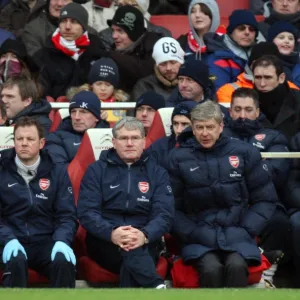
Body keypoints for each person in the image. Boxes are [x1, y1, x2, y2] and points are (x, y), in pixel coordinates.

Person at [168, 100, 277, 288]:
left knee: (236, 266)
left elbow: (265, 199)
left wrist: (246, 229)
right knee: (211, 269)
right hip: (198, 236)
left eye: (210, 127)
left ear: (221, 126)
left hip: (239, 232)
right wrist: (191, 233)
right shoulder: (177, 158)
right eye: (199, 127)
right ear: (192, 129)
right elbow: (170, 206)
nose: (204, 133)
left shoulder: (245, 153)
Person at [77, 117, 174, 288]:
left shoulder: (158, 172)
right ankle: (157, 287)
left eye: (135, 138)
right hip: (104, 241)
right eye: (123, 138)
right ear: (114, 142)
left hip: (146, 240)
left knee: (131, 254)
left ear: (144, 141)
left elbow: (164, 214)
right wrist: (112, 233)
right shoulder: (96, 170)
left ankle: (157, 288)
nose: (129, 143)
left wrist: (144, 235)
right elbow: (87, 212)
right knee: (130, 250)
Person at [0, 117, 77, 287]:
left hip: (45, 240)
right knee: (16, 262)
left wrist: (62, 241)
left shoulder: (57, 171)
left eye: (30, 139)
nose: (24, 143)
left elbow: (67, 215)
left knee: (64, 263)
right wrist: (8, 239)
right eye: (19, 139)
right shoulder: (2, 169)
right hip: (9, 239)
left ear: (42, 143)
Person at [224, 87, 291, 283]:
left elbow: (276, 173)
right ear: (230, 111)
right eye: (237, 109)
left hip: (262, 200)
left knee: (280, 222)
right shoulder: (218, 135)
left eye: (247, 109)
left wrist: (237, 172)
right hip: (226, 201)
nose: (242, 115)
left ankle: (267, 275)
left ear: (257, 111)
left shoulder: (274, 136)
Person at [36, 2, 106, 99]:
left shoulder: (97, 51)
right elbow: (39, 92)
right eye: (63, 21)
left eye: (74, 21)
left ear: (83, 26)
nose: (67, 27)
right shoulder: (44, 55)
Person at [216, 41, 300, 107]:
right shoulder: (228, 91)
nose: (262, 83)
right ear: (251, 64)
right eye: (259, 63)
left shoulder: (293, 92)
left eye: (268, 64)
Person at [101, 5, 162, 93]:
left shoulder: (154, 44)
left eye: (120, 31)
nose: (114, 36)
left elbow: (143, 72)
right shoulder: (116, 50)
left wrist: (111, 55)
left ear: (134, 33)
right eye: (113, 30)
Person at [45, 91, 109, 165]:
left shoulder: (112, 136)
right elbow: (60, 171)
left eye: (83, 112)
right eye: (73, 111)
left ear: (97, 117)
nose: (76, 117)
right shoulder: (56, 139)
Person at [205, 9, 260, 91]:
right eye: (241, 28)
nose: (247, 32)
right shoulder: (217, 58)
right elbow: (221, 92)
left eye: (251, 29)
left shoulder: (261, 55)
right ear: (231, 31)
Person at [252, 54, 300, 141]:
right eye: (258, 77)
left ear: (281, 78)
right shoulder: (246, 100)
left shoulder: (298, 99)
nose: (262, 83)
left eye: (268, 77)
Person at [98, 0, 171, 50]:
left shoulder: (162, 34)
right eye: (120, 5)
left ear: (142, 8)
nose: (123, 9)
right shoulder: (105, 36)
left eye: (129, 5)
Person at [131, 37, 185, 102]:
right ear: (156, 65)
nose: (168, 68)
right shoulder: (144, 86)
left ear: (181, 62)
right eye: (163, 63)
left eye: (173, 62)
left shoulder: (192, 83)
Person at [147, 101, 197, 170]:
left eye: (185, 124)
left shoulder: (205, 146)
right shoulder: (158, 147)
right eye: (175, 123)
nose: (179, 130)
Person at [87, 57, 128, 123]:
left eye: (108, 85)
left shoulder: (123, 104)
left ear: (114, 87)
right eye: (99, 84)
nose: (103, 88)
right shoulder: (82, 103)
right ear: (91, 85)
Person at [267, 21, 300, 87]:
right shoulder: (265, 64)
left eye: (291, 38)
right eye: (281, 37)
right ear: (271, 41)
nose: (287, 41)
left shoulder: (298, 64)